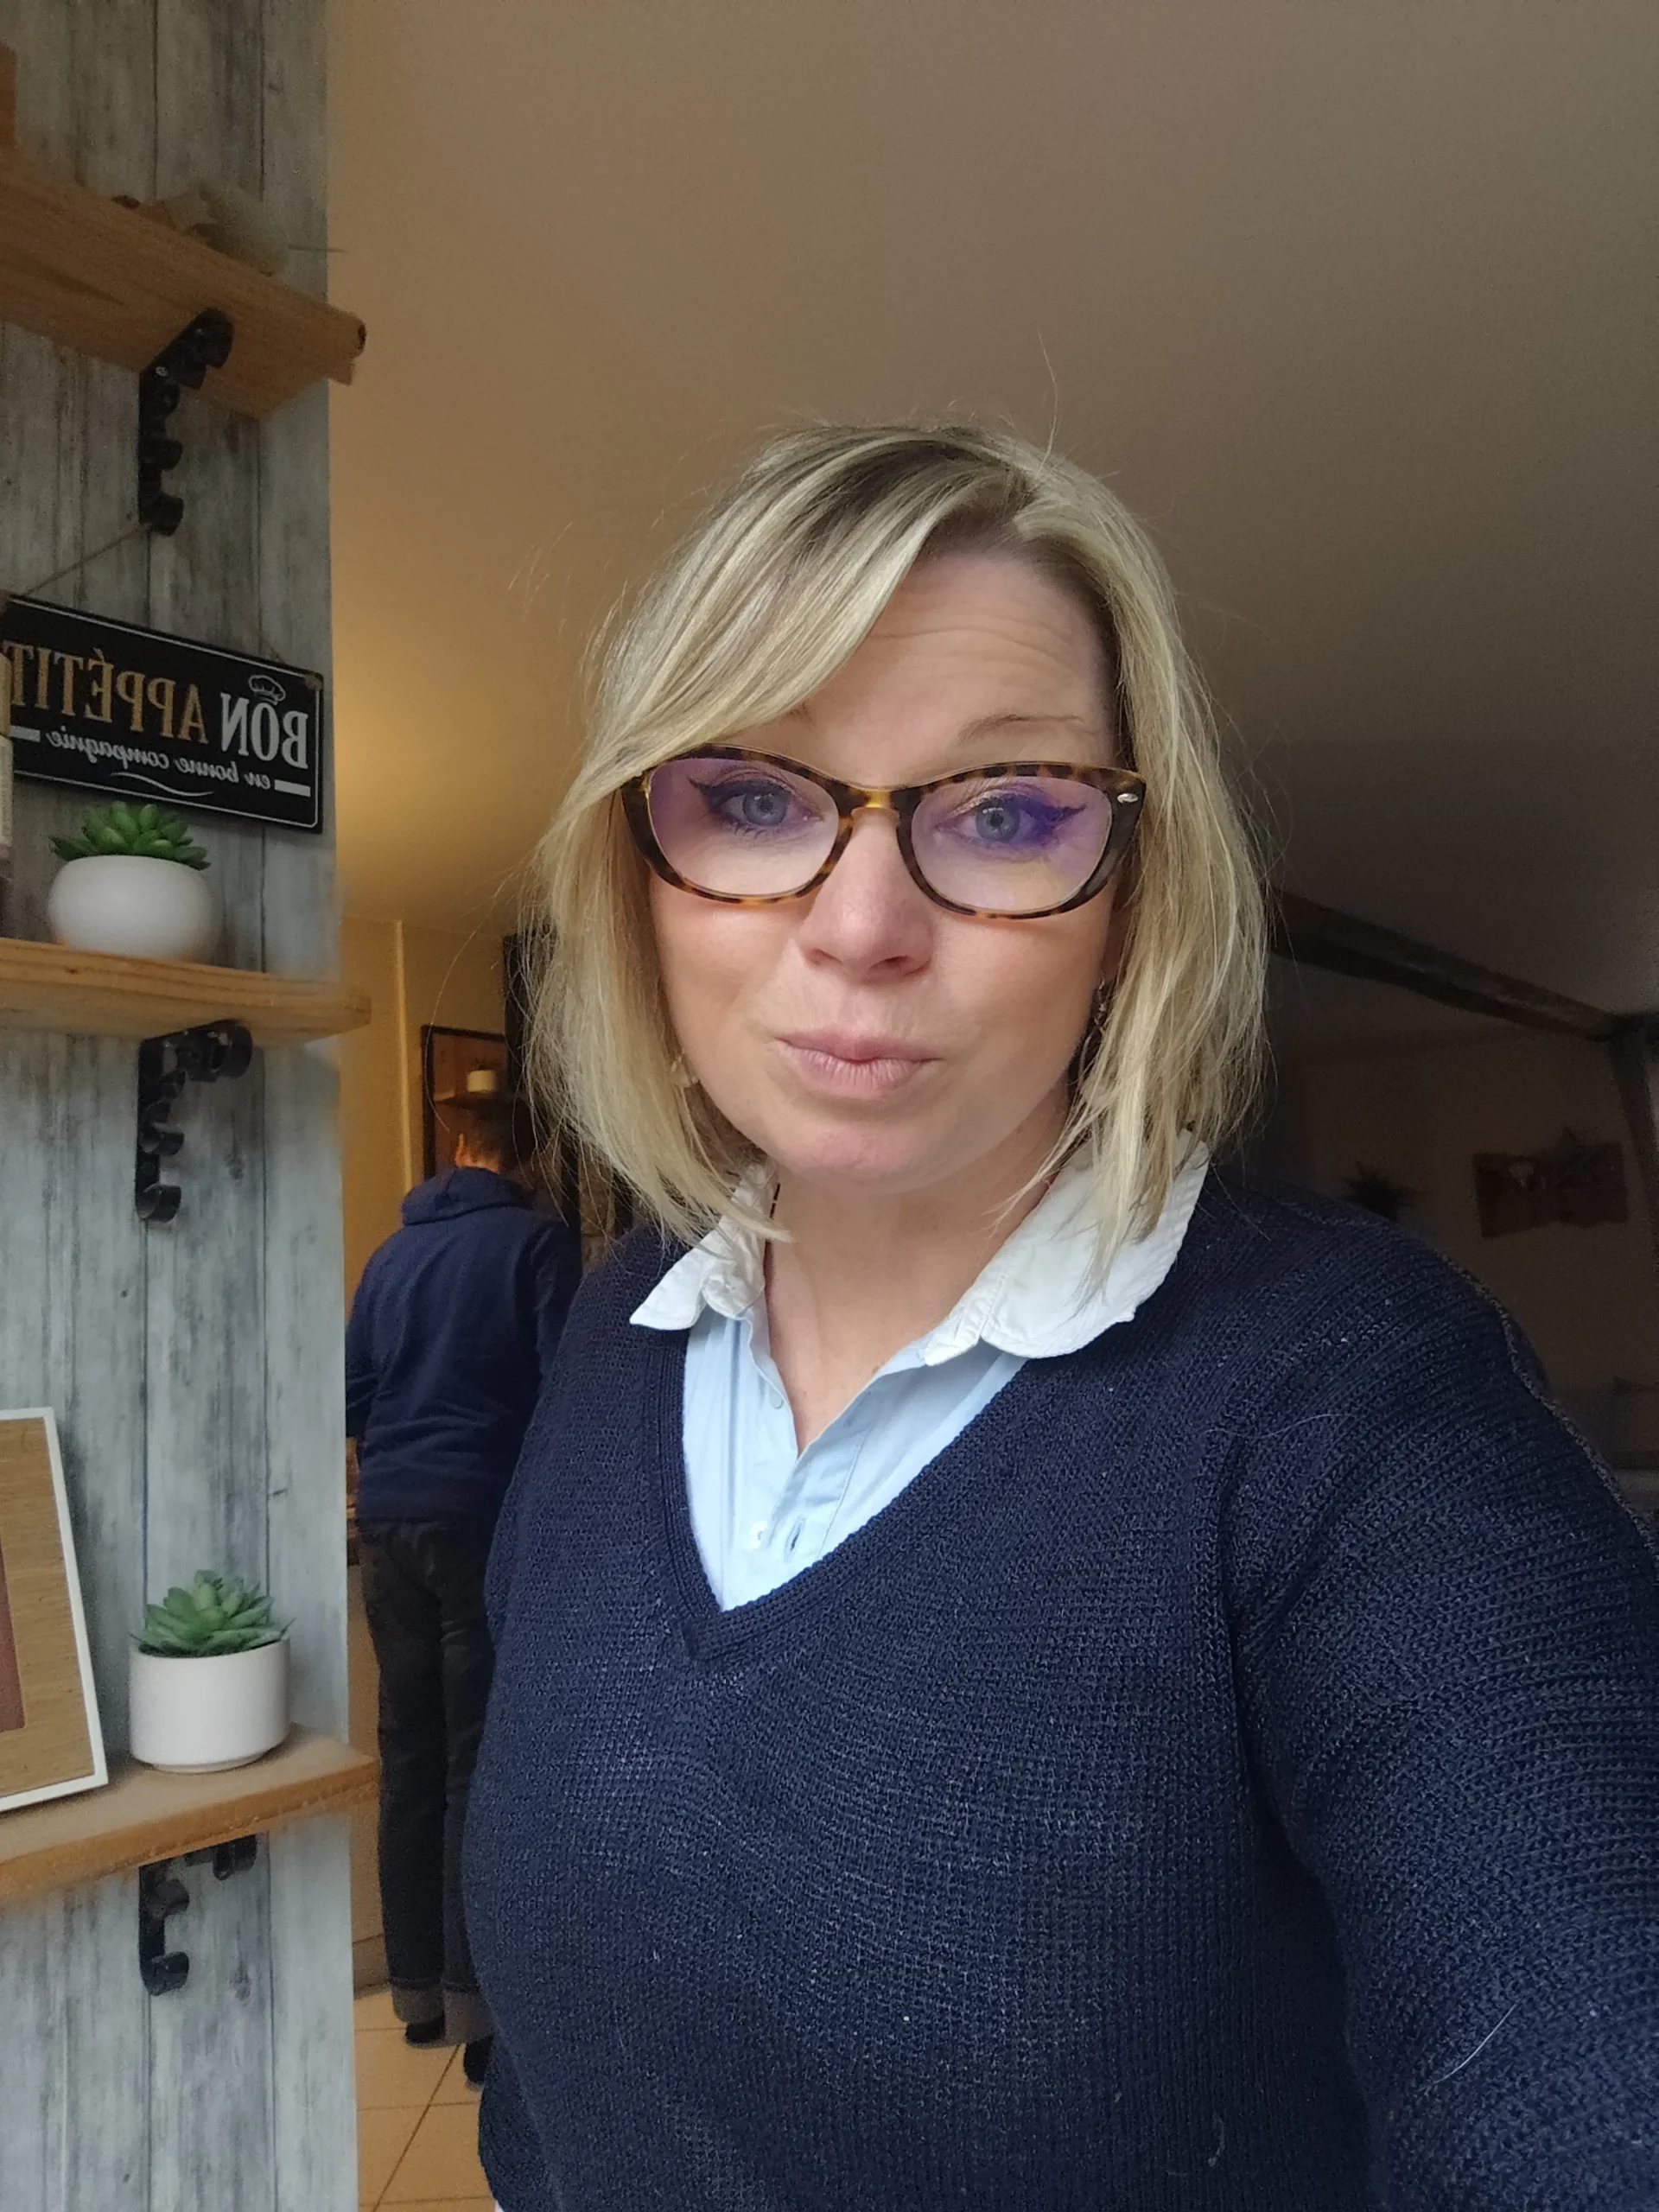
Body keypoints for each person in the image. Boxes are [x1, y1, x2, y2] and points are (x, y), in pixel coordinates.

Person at [464, 425, 1659, 2208]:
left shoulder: (1361, 1403)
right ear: (636, 867)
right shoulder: (617, 1328)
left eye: (1009, 812)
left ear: (1133, 900)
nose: (862, 925)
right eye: (756, 797)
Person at [347, 1102, 581, 2082]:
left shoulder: (390, 1256)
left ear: (458, 1152)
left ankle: (415, 1998)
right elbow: (567, 1392)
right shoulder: (538, 1244)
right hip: (481, 1519)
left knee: (408, 1753)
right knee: (476, 1760)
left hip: (387, 1525)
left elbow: (352, 1397)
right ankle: (478, 2011)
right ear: (533, 1160)